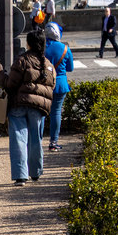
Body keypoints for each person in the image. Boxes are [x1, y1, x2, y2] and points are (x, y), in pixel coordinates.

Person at [0, 30, 55, 185]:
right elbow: (52, 87)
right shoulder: (48, 65)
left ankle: (20, 175)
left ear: (28, 44)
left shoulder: (22, 60)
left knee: (18, 139)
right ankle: (35, 172)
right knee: (36, 139)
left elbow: (10, 84)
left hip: (19, 104)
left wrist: (0, 73)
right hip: (38, 107)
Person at [44, 22, 74, 151]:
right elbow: (70, 68)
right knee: (56, 112)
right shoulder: (65, 48)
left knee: (42, 112)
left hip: (45, 83)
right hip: (60, 84)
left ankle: (36, 141)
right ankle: (53, 142)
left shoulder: (42, 48)